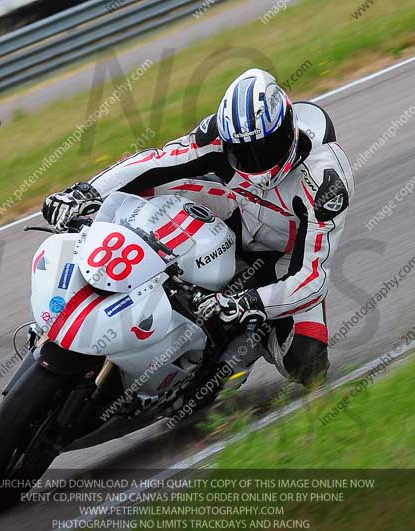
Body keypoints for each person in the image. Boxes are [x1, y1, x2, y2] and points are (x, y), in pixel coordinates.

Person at [42, 68, 354, 386]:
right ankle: (97, 270)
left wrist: (251, 303)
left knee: (307, 363)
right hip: (231, 210)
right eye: (242, 153)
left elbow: (313, 278)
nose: (255, 163)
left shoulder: (325, 181)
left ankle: (241, 342)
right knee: (144, 187)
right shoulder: (218, 135)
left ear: (289, 130)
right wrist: (87, 192)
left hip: (284, 256)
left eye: (265, 149)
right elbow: (156, 161)